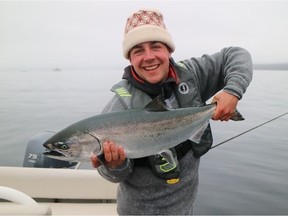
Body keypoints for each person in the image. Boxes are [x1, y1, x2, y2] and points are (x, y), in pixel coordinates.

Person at [91, 8, 253, 215]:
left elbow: (237, 54)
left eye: (156, 46)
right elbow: (114, 177)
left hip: (186, 208)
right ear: (130, 59)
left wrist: (233, 90)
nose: (149, 57)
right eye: (138, 50)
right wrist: (114, 166)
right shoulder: (116, 110)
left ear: (169, 50)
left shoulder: (193, 75)